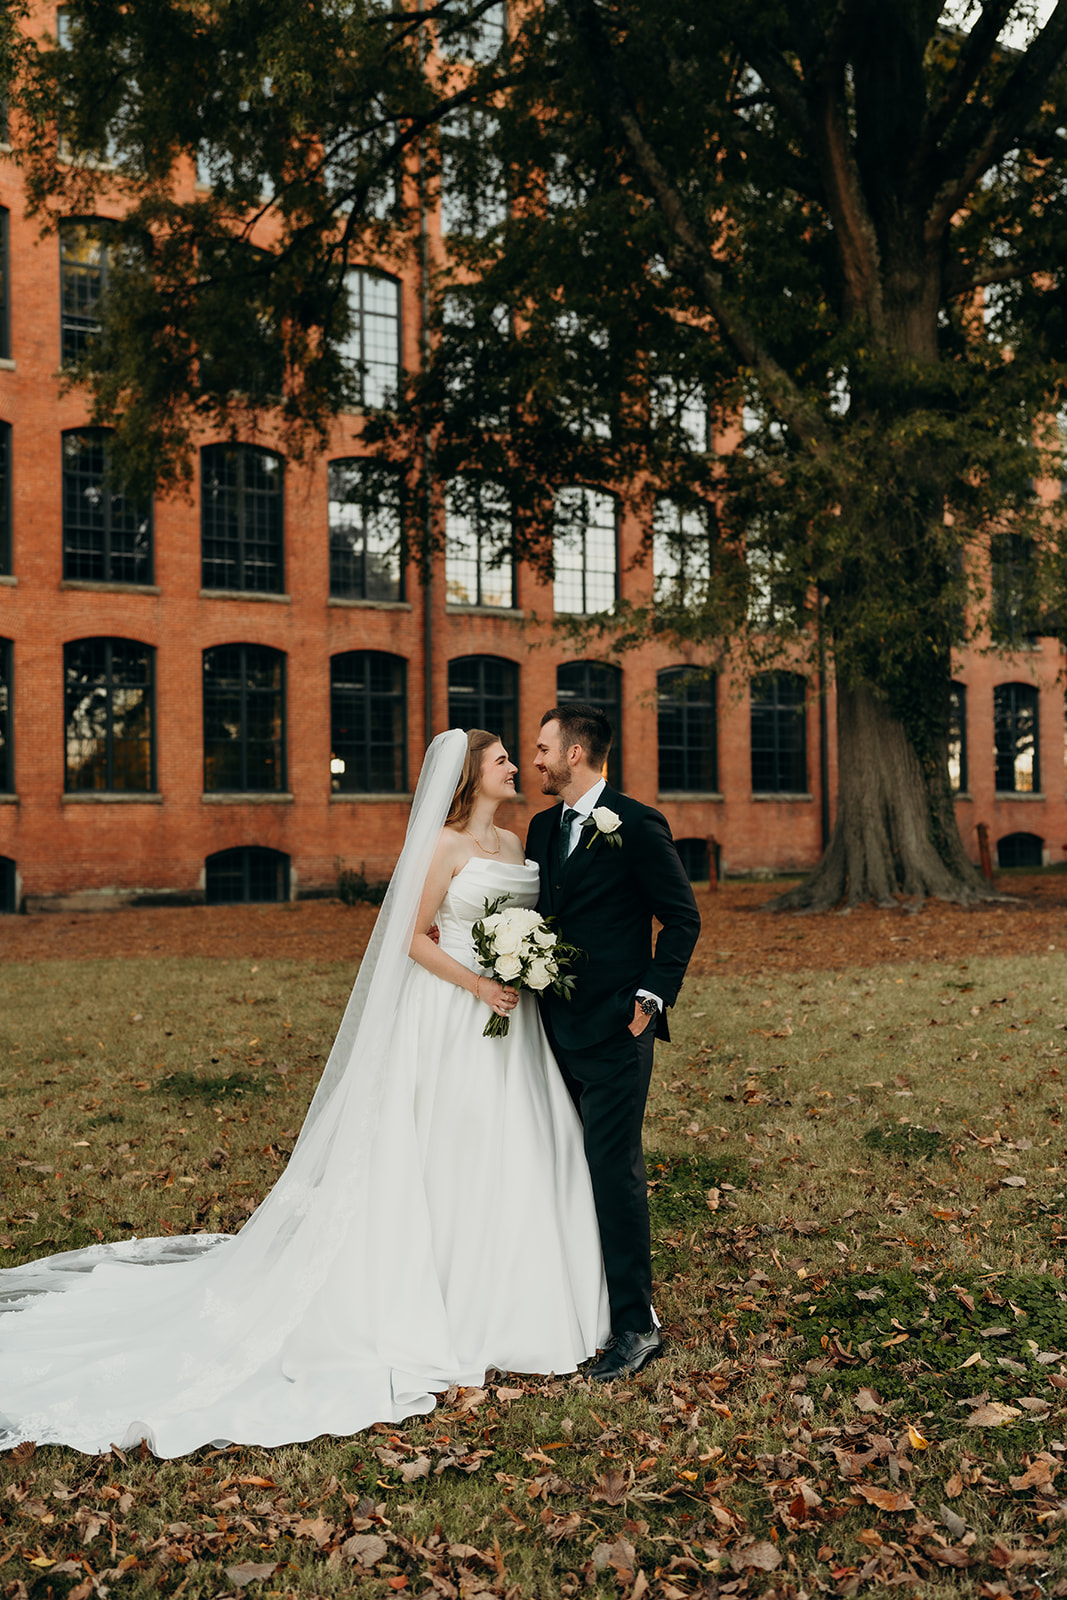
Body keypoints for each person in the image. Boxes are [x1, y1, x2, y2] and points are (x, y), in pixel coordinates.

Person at [0, 729, 608, 1458]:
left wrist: (527, 963)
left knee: (516, 1147)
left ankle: (519, 1294)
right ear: (470, 774)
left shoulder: (514, 842)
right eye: (503, 758)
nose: (516, 766)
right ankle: (437, 1297)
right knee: (453, 1145)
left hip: (515, 1021)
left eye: (517, 756)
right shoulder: (443, 846)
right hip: (453, 1012)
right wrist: (479, 983)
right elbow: (412, 938)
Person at [526, 704, 701, 1380]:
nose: (535, 760)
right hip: (549, 1029)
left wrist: (649, 1000)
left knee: (612, 1168)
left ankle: (635, 1325)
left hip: (615, 1030)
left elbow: (681, 918)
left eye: (543, 749)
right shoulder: (543, 827)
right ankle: (579, 1299)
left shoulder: (636, 822)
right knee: (564, 1166)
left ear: (575, 754)